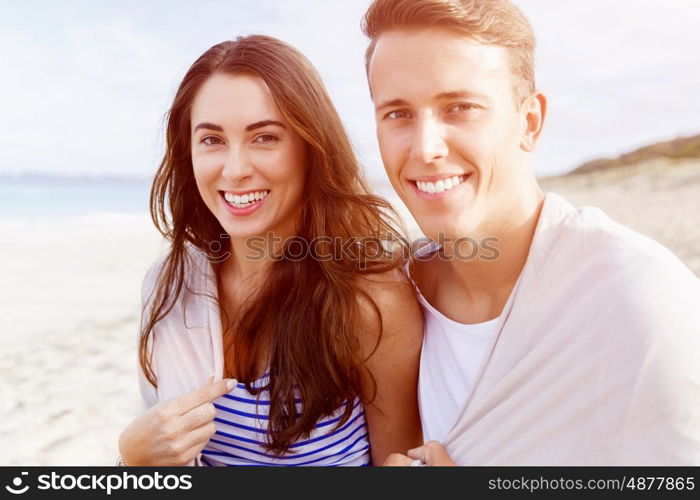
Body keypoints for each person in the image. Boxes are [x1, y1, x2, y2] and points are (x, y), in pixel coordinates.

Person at [361, 0, 700, 465]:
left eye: (460, 107)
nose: (425, 148)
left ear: (530, 121)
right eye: (398, 114)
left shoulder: (639, 302)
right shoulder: (391, 298)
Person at [117, 35, 423, 466]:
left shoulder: (370, 299)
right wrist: (131, 460)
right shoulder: (171, 286)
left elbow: (401, 465)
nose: (236, 169)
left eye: (264, 138)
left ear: (310, 148)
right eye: (212, 140)